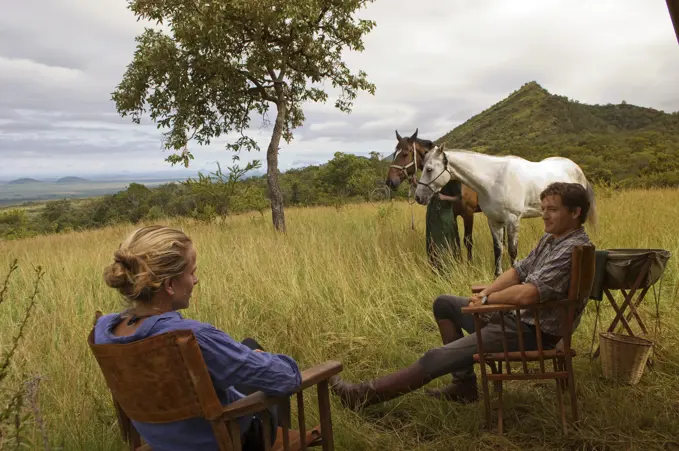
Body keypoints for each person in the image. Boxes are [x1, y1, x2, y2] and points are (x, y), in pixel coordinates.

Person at [330, 182, 594, 409]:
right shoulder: (552, 239)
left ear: (575, 212)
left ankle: (360, 396)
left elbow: (528, 294)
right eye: (544, 208)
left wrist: (488, 302)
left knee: (435, 356)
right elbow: (517, 272)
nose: (545, 215)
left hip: (531, 331)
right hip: (515, 318)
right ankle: (464, 385)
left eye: (553, 210)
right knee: (444, 303)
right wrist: (488, 292)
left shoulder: (573, 249)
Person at [93, 225, 311, 451]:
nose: (195, 280)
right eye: (191, 272)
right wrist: (265, 359)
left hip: (165, 443)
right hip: (231, 440)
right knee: (262, 362)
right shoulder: (191, 337)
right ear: (169, 285)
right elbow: (287, 379)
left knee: (247, 346)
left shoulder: (103, 331)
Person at [426, 180, 462, 269]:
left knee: (445, 244)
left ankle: (447, 270)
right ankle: (435, 269)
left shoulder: (452, 180)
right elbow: (427, 191)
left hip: (444, 216)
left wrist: (444, 197)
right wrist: (415, 183)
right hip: (432, 214)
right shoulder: (433, 176)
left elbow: (460, 197)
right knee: (431, 243)